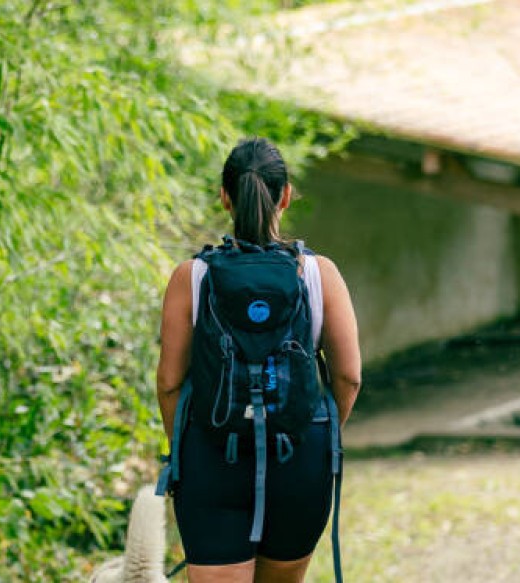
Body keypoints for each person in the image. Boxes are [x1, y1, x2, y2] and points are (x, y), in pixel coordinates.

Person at [155, 137, 362, 582]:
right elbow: (349, 376)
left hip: (212, 459)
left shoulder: (191, 277)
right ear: (285, 195)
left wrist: (183, 452)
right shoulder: (318, 274)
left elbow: (170, 383)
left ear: (224, 196)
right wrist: (317, 433)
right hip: (299, 457)